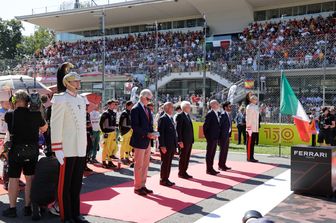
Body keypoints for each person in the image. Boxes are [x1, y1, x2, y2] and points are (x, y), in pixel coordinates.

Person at [2, 90, 48, 218]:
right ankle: (28, 207)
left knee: (13, 179)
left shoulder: (9, 115)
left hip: (15, 151)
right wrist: (38, 110)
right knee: (30, 179)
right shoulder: (36, 115)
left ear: (14, 101)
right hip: (32, 151)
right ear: (28, 101)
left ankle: (12, 209)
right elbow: (44, 129)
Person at [51, 72, 88, 223]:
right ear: (68, 82)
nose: (78, 83)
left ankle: (75, 214)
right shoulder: (60, 98)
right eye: (76, 81)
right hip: (66, 147)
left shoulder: (80, 99)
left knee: (76, 184)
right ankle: (66, 216)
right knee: (65, 185)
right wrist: (57, 147)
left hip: (79, 147)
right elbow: (56, 124)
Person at [130, 89, 157, 196]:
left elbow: (149, 125)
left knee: (145, 165)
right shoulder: (135, 109)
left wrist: (153, 133)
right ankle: (137, 187)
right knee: (139, 165)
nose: (149, 101)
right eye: (148, 98)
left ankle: (143, 185)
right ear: (142, 97)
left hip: (147, 140)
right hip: (140, 140)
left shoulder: (147, 109)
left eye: (150, 99)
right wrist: (147, 134)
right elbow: (135, 126)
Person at [158, 102, 177, 187]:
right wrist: (162, 145)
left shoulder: (171, 118)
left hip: (171, 145)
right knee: (165, 163)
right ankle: (163, 179)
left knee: (169, 163)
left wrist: (175, 145)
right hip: (165, 145)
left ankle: (166, 178)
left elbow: (173, 133)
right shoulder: (163, 118)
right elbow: (160, 133)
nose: (173, 109)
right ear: (166, 108)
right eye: (171, 107)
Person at [176, 101, 194, 179]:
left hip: (189, 141)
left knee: (187, 157)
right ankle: (181, 172)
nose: (190, 108)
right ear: (185, 107)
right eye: (189, 106)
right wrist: (180, 141)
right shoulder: (180, 116)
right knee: (183, 157)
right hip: (183, 141)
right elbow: (178, 130)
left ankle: (184, 171)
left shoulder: (187, 116)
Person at [203, 100, 220, 175]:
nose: (218, 105)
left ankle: (211, 168)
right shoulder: (210, 114)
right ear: (212, 105)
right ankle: (208, 169)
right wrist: (208, 138)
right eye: (216, 104)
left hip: (215, 137)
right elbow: (205, 127)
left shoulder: (216, 113)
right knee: (209, 154)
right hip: (211, 138)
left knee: (212, 154)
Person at [99, 100, 118, 168]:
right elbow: (101, 123)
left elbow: (113, 123)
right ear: (109, 105)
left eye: (115, 104)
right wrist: (104, 131)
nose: (114, 105)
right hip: (107, 133)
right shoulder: (105, 113)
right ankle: (104, 162)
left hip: (113, 133)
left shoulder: (114, 113)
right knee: (106, 148)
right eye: (113, 104)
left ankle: (109, 161)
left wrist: (115, 127)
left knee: (112, 148)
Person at [218, 101, 232, 171]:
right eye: (229, 106)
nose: (230, 108)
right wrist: (219, 138)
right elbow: (219, 126)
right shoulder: (223, 115)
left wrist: (229, 135)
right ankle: (220, 165)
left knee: (225, 151)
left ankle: (223, 164)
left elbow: (229, 126)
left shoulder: (228, 114)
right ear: (225, 107)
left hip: (227, 136)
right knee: (222, 151)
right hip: (222, 136)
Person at [0, 100, 11, 190]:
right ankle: (6, 180)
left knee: (6, 158)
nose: (7, 104)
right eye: (5, 102)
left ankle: (7, 180)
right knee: (4, 157)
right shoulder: (1, 112)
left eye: (8, 102)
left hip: (8, 137)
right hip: (2, 136)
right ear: (1, 103)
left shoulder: (10, 111)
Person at [246, 95, 259, 162]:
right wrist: (249, 128)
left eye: (256, 99)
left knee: (252, 143)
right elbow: (248, 118)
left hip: (255, 128)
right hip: (250, 128)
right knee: (250, 143)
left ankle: (252, 156)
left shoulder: (255, 107)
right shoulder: (250, 107)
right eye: (255, 99)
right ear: (251, 100)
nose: (256, 100)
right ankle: (249, 157)